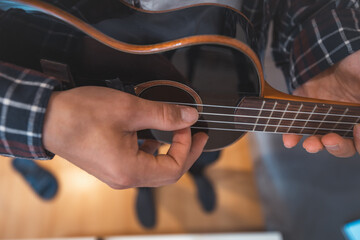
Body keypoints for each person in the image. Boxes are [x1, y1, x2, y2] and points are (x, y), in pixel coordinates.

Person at [0, 0, 359, 190]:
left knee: (199, 143)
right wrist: (44, 117)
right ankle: (145, 188)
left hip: (221, 60)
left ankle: (198, 174)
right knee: (136, 150)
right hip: (53, 53)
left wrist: (325, 54)